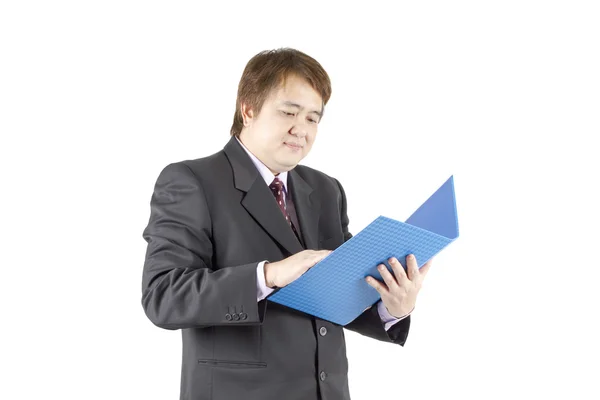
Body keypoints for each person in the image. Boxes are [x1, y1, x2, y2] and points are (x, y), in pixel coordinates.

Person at [141, 47, 432, 400]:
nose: (302, 129)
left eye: (313, 118)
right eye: (289, 112)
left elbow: (337, 295)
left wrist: (392, 307)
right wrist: (269, 275)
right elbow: (163, 297)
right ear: (248, 110)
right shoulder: (191, 181)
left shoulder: (325, 189)